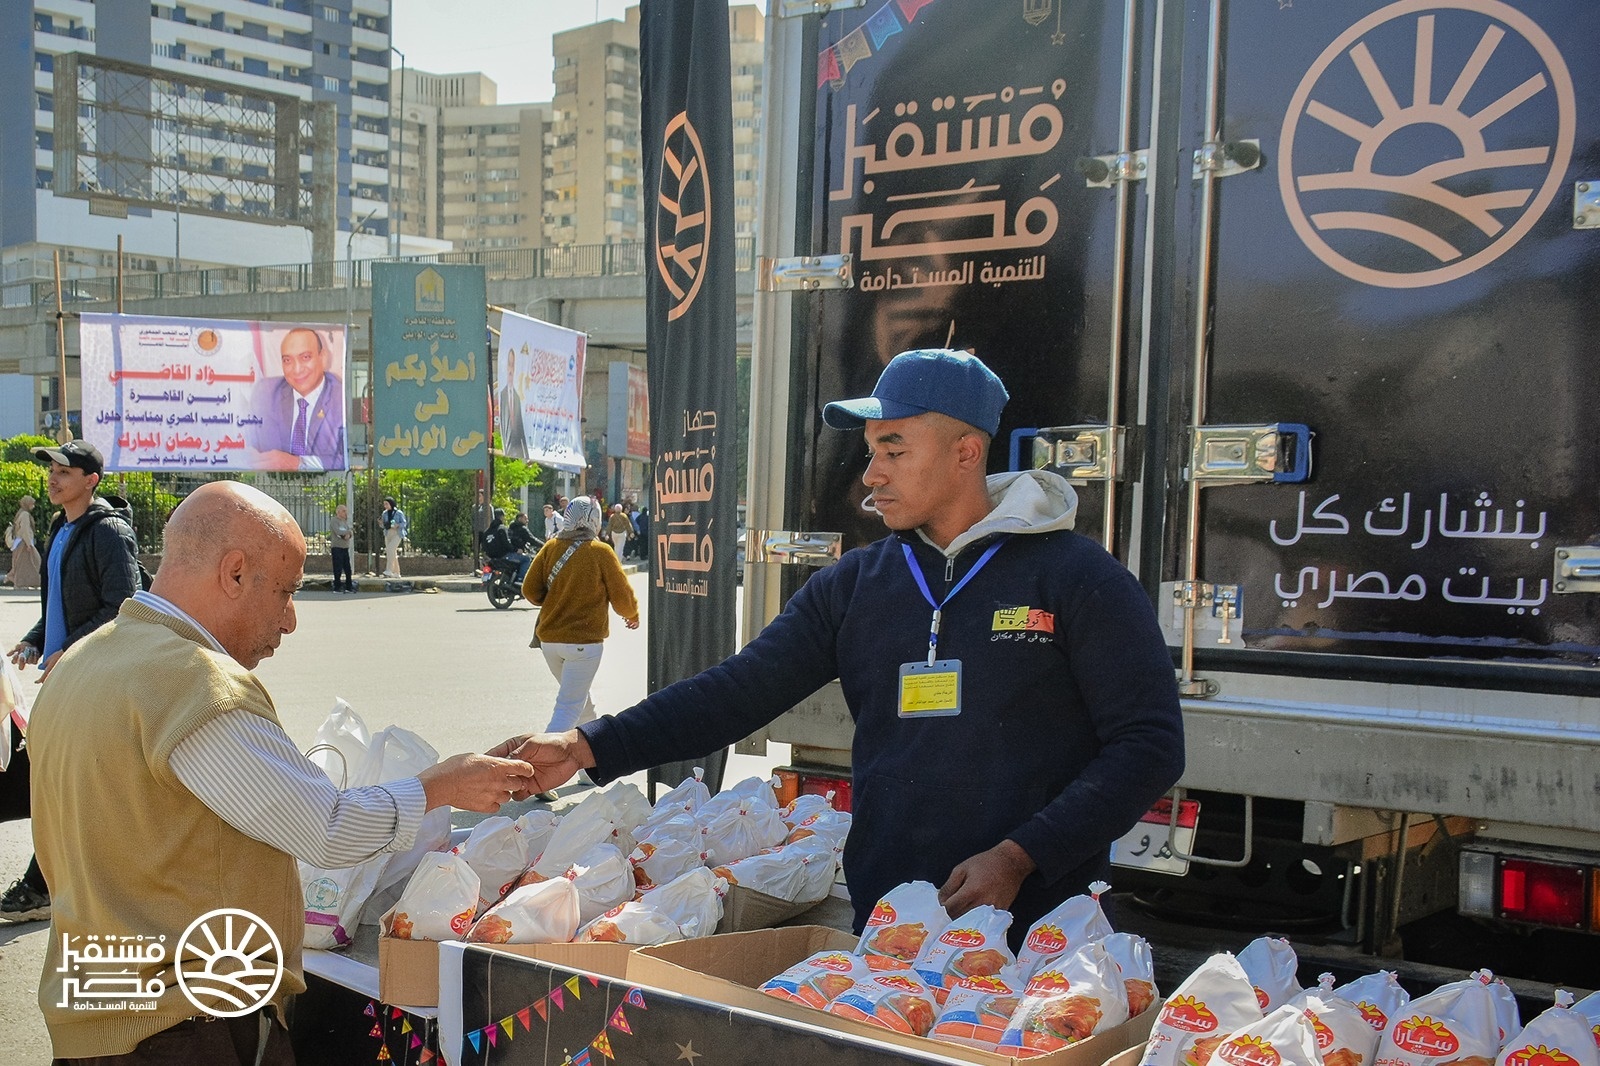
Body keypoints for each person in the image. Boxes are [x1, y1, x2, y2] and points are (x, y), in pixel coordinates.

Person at [494, 349, 1185, 939]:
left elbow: (1149, 744)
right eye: (871, 451)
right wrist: (587, 746)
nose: (872, 474)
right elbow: (738, 691)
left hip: (1041, 933)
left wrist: (1020, 856)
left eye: (894, 450)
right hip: (890, 926)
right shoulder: (857, 585)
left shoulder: (1076, 577)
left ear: (966, 453)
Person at [26, 481, 536, 1063]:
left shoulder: (82, 661)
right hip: (180, 1026)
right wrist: (442, 785)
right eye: (286, 592)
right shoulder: (194, 681)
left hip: (97, 1004)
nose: (290, 620)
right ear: (234, 573)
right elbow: (327, 829)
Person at [3, 440, 141, 924]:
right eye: (52, 471)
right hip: (68, 676)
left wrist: (70, 647)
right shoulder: (60, 529)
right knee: (68, 782)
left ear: (91, 481)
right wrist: (35, 641)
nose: (53, 478)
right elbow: (60, 608)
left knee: (70, 782)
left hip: (100, 678)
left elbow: (125, 604)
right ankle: (55, 885)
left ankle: (43, 886)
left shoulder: (108, 532)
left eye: (64, 471)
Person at [521, 497, 639, 735]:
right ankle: (542, 756)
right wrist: (632, 614)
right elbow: (622, 595)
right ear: (593, 519)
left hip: (550, 643)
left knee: (583, 707)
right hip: (583, 645)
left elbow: (529, 590)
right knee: (568, 708)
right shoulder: (600, 551)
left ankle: (595, 758)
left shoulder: (550, 547)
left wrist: (556, 601)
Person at [247, 326, 347, 472]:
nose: (297, 369)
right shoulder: (265, 392)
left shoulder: (341, 399)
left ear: (323, 358)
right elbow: (246, 444)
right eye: (287, 360)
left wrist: (298, 463)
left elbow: (349, 458)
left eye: (305, 357)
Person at [4, 495, 40, 589]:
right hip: (23, 543)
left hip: (20, 542)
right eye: (31, 504)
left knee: (22, 563)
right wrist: (29, 544)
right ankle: (19, 581)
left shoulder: (21, 513)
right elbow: (25, 530)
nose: (33, 506)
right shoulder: (25, 515)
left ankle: (16, 579)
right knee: (33, 561)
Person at [330, 503, 355, 593]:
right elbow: (338, 531)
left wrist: (349, 534)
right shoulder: (334, 521)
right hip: (337, 547)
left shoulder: (344, 522)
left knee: (347, 568)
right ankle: (337, 587)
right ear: (338, 512)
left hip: (345, 548)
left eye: (346, 511)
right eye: (343, 511)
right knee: (338, 568)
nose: (345, 513)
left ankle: (349, 586)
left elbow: (350, 531)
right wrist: (346, 533)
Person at [379, 496, 407, 578]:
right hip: (388, 533)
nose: (385, 506)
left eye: (387, 504)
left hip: (397, 533)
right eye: (384, 504)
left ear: (391, 504)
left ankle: (389, 570)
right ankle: (397, 572)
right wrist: (381, 523)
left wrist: (397, 525)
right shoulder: (384, 513)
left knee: (390, 549)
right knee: (392, 552)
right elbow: (383, 525)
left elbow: (404, 523)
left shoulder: (398, 513)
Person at [508, 511, 539, 582]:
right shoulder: (522, 528)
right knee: (527, 559)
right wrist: (545, 545)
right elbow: (532, 539)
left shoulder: (511, 527)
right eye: (525, 518)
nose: (527, 521)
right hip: (515, 552)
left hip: (511, 551)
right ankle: (520, 579)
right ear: (520, 519)